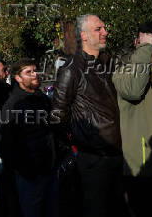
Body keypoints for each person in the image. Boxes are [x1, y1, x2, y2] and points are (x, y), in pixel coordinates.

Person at [52, 14, 127, 217]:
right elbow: (57, 115)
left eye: (104, 28)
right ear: (84, 35)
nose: (105, 32)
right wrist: (76, 147)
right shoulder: (71, 69)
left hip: (117, 155)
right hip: (93, 160)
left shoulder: (106, 63)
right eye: (98, 29)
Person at [112, 21, 152, 216]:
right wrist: (146, 48)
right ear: (136, 42)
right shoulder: (123, 71)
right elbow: (134, 90)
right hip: (142, 168)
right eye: (146, 42)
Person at [1, 58, 58, 217]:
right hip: (30, 175)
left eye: (35, 70)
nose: (35, 75)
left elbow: (53, 130)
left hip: (50, 169)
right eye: (29, 72)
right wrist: (25, 170)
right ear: (17, 78)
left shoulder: (43, 99)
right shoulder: (12, 106)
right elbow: (7, 145)